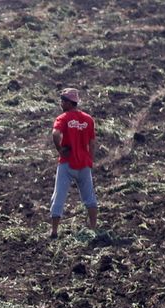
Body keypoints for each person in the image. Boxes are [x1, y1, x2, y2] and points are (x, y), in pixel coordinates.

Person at [49, 87, 97, 238]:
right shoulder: (88, 119)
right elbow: (92, 142)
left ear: (70, 103)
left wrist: (60, 149)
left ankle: (54, 231)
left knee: (59, 196)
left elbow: (55, 134)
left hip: (67, 163)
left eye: (63, 100)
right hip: (83, 163)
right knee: (89, 197)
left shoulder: (63, 118)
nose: (61, 103)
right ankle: (94, 228)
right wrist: (90, 160)